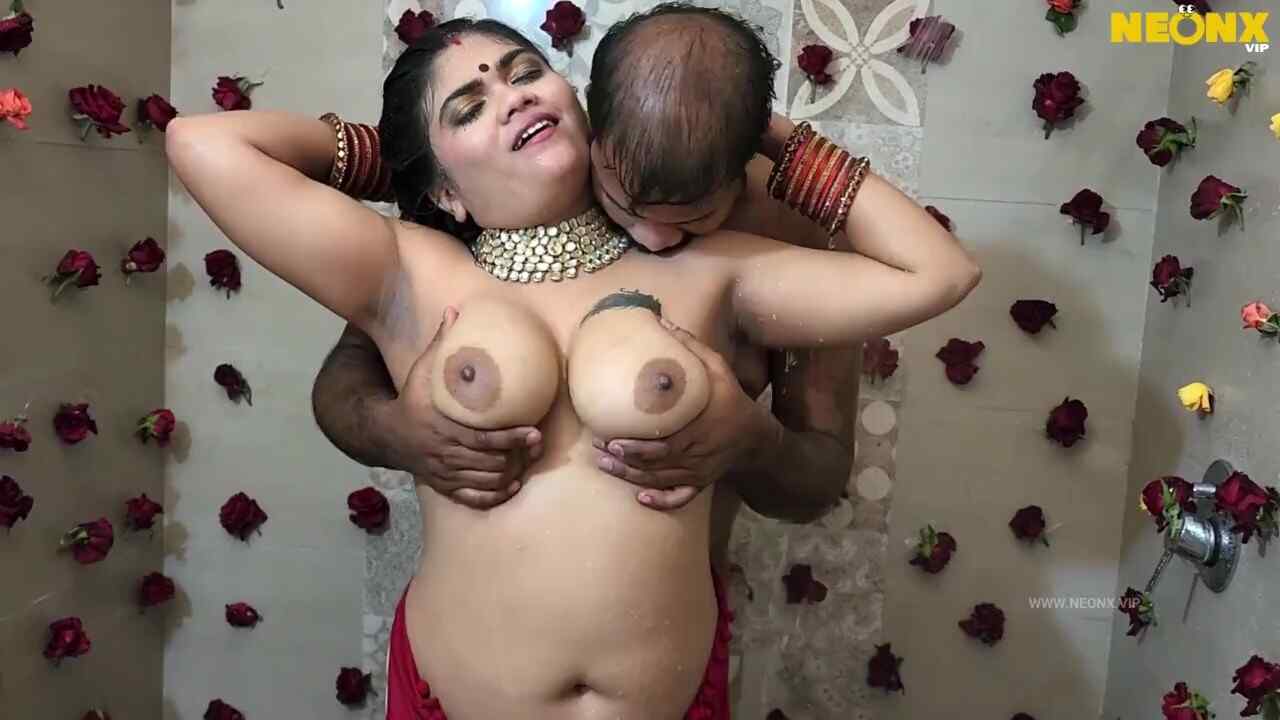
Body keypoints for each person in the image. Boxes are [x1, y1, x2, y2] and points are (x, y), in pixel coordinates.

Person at [165, 15, 979, 720]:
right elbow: (201, 143)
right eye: (469, 107)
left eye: (526, 74)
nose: (511, 96)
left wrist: (756, 128)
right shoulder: (406, 271)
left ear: (581, 104)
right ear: (445, 192)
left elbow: (938, 273)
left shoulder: (710, 266)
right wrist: (402, 159)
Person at [311, 5, 895, 578]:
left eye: (691, 213)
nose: (657, 233)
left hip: (672, 620)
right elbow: (345, 379)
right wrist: (390, 431)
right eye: (468, 109)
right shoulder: (490, 201)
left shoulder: (777, 214)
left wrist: (754, 442)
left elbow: (817, 480)